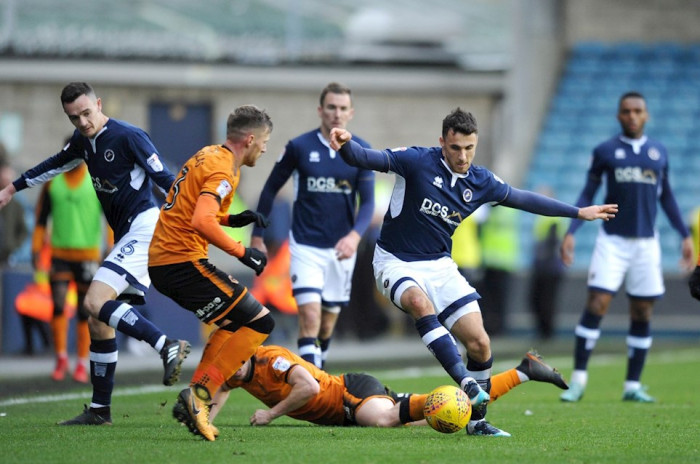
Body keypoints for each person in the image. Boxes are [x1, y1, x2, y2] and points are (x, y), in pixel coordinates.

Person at [328, 108, 618, 437]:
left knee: (480, 344)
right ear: (442, 143)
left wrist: (579, 212)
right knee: (419, 304)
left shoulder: (481, 181)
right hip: (394, 260)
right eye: (455, 148)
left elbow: (523, 199)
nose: (463, 156)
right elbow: (366, 158)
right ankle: (465, 382)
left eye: (469, 148)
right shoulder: (416, 160)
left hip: (439, 265)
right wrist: (346, 143)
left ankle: (477, 423)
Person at [0, 82, 191, 425]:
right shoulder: (82, 142)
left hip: (145, 227)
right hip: (126, 235)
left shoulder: (129, 136)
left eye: (87, 113)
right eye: (75, 118)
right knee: (98, 320)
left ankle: (166, 345)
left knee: (92, 301)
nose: (84, 122)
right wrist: (13, 187)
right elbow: (54, 164)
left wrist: (195, 216)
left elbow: (165, 178)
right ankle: (100, 410)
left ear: (99, 104)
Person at [148, 104, 276, 442]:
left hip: (167, 261)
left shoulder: (208, 155)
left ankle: (196, 398)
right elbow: (200, 221)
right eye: (264, 142)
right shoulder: (224, 169)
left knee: (234, 323)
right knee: (261, 322)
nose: (264, 149)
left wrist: (232, 219)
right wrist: (242, 251)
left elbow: (193, 208)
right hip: (180, 261)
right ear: (250, 139)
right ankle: (199, 396)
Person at [559, 91, 694, 403]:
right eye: (626, 111)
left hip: (647, 244)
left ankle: (632, 385)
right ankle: (578, 381)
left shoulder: (659, 153)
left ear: (646, 115)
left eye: (637, 111)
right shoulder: (605, 151)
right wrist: (572, 230)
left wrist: (685, 235)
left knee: (643, 309)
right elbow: (587, 192)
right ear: (618, 116)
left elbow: (668, 196)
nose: (632, 116)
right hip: (612, 241)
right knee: (597, 304)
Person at [251, 82, 374, 369]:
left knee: (327, 325)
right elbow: (269, 191)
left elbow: (367, 203)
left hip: (342, 250)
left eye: (343, 108)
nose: (336, 113)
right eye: (331, 107)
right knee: (309, 318)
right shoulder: (299, 147)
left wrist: (355, 237)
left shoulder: (362, 151)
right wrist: (257, 236)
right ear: (320, 110)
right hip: (305, 246)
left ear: (351, 113)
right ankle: (312, 389)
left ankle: (317, 373)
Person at [204, 345, 568, 432]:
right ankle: (524, 372)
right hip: (351, 404)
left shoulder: (271, 360)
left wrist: (270, 413)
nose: (231, 375)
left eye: (233, 366)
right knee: (416, 420)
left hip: (348, 394)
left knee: (384, 420)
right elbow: (220, 389)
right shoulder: (238, 372)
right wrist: (204, 418)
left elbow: (309, 389)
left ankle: (461, 404)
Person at [31, 159, 111, 383]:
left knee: (85, 310)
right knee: (57, 304)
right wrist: (36, 248)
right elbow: (40, 218)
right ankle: (61, 358)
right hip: (59, 255)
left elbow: (110, 216)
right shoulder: (53, 183)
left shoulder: (95, 180)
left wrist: (111, 245)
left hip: (87, 255)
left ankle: (82, 363)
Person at [528, 186, 567, 340]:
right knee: (539, 299)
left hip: (550, 267)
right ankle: (544, 331)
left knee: (545, 300)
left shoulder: (552, 217)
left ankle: (547, 333)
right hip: (545, 266)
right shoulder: (545, 217)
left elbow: (551, 243)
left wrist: (542, 260)